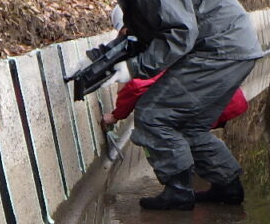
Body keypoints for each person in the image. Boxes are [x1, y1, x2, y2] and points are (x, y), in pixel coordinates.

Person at [70, 0, 263, 209]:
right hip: (231, 47)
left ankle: (178, 191)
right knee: (189, 125)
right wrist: (100, 58)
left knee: (152, 112)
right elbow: (146, 35)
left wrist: (133, 68)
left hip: (219, 49)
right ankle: (227, 185)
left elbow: (180, 33)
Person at [100, 7, 249, 137]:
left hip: (213, 104)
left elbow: (136, 86)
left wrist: (115, 116)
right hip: (225, 98)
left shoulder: (157, 46)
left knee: (152, 123)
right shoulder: (171, 30)